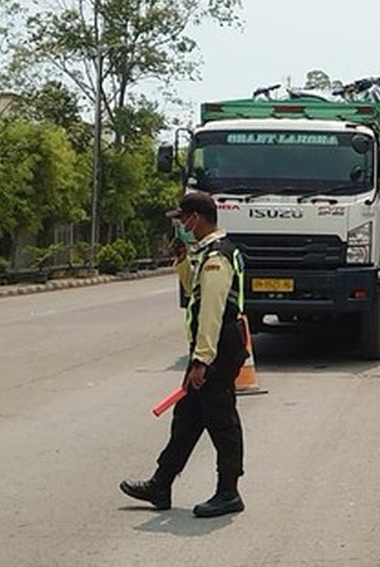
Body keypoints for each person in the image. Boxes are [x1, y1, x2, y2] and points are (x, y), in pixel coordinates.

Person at [120, 191, 249, 518]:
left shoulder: (218, 257)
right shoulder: (206, 253)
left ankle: (229, 491)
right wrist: (181, 259)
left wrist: (201, 360)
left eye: (182, 219)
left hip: (217, 348)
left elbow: (211, 311)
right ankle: (161, 484)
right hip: (212, 347)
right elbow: (195, 289)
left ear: (196, 218)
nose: (180, 225)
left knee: (221, 420)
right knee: (187, 419)